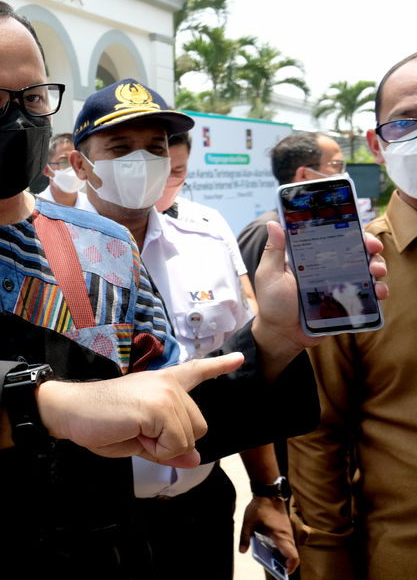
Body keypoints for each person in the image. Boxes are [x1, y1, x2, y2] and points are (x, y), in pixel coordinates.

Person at [0, 0, 387, 579]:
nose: (16, 119)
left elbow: (176, 407)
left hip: (104, 557)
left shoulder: (105, 247)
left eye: (32, 98)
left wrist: (275, 339)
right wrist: (41, 405)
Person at [69, 81, 297, 578]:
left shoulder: (205, 244)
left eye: (156, 147)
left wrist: (267, 490)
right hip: (90, 524)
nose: (142, 161)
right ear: (80, 165)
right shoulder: (41, 254)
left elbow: (241, 374)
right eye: (120, 148)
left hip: (201, 507)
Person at [288, 46, 417, 580]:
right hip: (416, 562)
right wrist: (325, 563)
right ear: (376, 145)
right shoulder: (341, 263)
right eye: (404, 125)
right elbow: (317, 434)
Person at [157, 131, 257, 311]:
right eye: (158, 171)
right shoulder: (112, 228)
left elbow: (247, 299)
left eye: (177, 170)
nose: (166, 181)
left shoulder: (209, 222)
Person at [236, 131, 344, 278]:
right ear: (305, 174)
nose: (343, 173)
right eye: (337, 165)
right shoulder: (264, 230)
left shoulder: (328, 225)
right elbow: (247, 296)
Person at [37, 132, 94, 211]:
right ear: (46, 170)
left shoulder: (93, 209)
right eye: (64, 162)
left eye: (78, 162)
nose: (74, 168)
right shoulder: (36, 210)